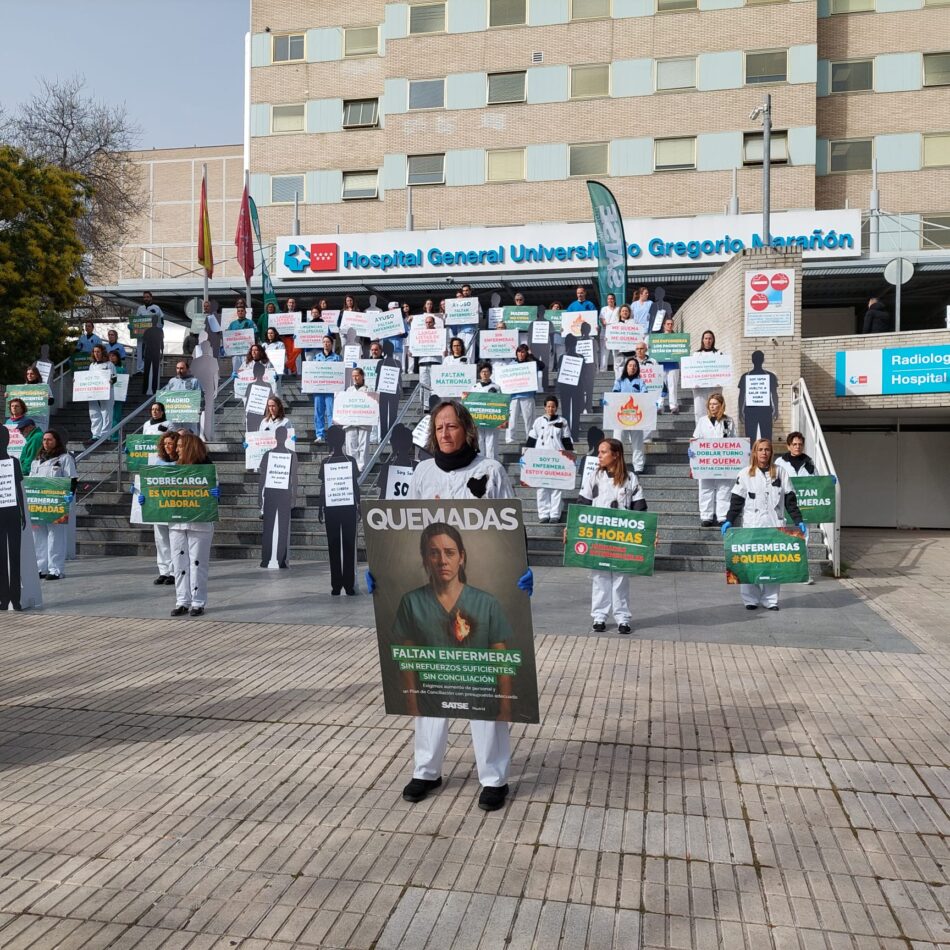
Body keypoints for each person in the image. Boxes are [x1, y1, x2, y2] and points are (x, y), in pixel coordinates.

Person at [372, 399, 529, 813]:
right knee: (430, 680)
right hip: (430, 591)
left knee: (482, 682)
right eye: (438, 427)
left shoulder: (489, 471)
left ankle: (493, 776)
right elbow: (401, 530)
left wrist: (522, 569)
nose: (444, 433)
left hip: (478, 592)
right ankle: (427, 769)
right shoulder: (421, 473)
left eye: (452, 426)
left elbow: (512, 525)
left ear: (467, 430)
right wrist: (383, 571)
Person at [391, 521, 516, 723]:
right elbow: (408, 662)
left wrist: (505, 709)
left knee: (491, 749)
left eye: (449, 552)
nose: (442, 561)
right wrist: (412, 707)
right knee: (429, 751)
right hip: (430, 702)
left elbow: (501, 662)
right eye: (434, 553)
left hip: (482, 702)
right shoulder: (412, 602)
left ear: (461, 557)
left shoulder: (486, 603)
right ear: (425, 559)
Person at [722, 438, 806, 610]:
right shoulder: (745, 474)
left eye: (767, 450)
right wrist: (729, 519)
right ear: (754, 452)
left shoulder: (781, 472)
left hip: (774, 525)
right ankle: (750, 600)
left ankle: (771, 600)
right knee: (750, 563)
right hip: (752, 526)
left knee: (773, 563)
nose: (764, 453)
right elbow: (736, 502)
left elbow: (790, 501)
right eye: (760, 449)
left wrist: (798, 520)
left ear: (771, 452)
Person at [576, 437, 647, 635]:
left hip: (623, 536)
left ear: (615, 455)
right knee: (599, 577)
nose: (599, 456)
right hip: (598, 534)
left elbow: (640, 509)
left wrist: (649, 534)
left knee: (621, 578)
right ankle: (599, 616)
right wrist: (571, 530)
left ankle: (623, 617)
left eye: (603, 452)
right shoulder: (594, 477)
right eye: (598, 452)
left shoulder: (631, 478)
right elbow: (582, 505)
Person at [165, 431, 219, 617]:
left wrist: (215, 493)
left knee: (197, 562)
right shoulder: (172, 468)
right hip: (177, 521)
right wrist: (147, 498)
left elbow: (214, 486)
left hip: (200, 522)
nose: (177, 449)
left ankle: (198, 601)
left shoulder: (207, 468)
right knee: (179, 562)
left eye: (180, 446)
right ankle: (182, 600)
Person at [29, 430, 77, 581]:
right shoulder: (36, 460)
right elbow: (31, 481)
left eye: (49, 440)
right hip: (38, 503)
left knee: (55, 536)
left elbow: (72, 479)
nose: (46, 442)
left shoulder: (64, 458)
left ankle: (55, 569)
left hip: (56, 503)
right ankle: (40, 567)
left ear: (56, 441)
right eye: (44, 440)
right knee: (38, 536)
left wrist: (69, 495)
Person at [525, 395, 573, 523]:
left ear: (556, 408)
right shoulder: (538, 421)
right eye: (548, 406)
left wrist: (570, 455)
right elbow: (531, 439)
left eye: (553, 406)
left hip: (557, 457)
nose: (550, 408)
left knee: (556, 487)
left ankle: (555, 515)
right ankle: (543, 514)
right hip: (540, 458)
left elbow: (566, 439)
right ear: (545, 407)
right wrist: (526, 454)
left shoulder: (563, 421)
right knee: (541, 487)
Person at [692, 393, 737, 528]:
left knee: (724, 487)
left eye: (715, 404)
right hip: (706, 461)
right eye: (710, 404)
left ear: (721, 405)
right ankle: (706, 516)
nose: (712, 407)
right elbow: (696, 439)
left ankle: (722, 516)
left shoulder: (728, 421)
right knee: (706, 487)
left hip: (724, 461)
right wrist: (693, 450)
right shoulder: (702, 421)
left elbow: (734, 440)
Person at [149, 430, 180, 586]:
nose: (168, 446)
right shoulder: (159, 461)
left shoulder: (181, 461)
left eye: (171, 444)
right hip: (159, 503)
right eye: (165, 444)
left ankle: (174, 571)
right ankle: (163, 571)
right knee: (160, 539)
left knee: (174, 539)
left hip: (175, 504)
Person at [611, 357, 648, 474]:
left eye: (635, 366)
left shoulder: (641, 382)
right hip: (621, 416)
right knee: (617, 441)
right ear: (626, 367)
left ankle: (638, 467)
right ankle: (616, 465)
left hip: (636, 417)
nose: (633, 368)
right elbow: (614, 394)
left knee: (637, 442)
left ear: (637, 369)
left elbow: (645, 394)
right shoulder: (619, 381)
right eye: (630, 365)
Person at [505, 344, 540, 444]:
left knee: (529, 419)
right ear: (516, 353)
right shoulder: (511, 365)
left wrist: (531, 355)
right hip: (514, 397)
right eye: (519, 352)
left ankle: (530, 439)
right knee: (511, 419)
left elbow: (542, 365)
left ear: (526, 353)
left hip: (527, 395)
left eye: (523, 352)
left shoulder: (532, 364)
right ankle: (510, 439)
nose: (521, 354)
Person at [311, 335, 342, 444]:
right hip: (318, 390)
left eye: (328, 342)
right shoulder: (317, 357)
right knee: (318, 412)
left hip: (331, 390)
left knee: (331, 413)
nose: (326, 344)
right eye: (324, 342)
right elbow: (311, 373)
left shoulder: (337, 358)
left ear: (331, 344)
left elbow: (340, 374)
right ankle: (319, 435)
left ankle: (331, 434)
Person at [472, 361, 502, 461]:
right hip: (478, 421)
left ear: (490, 373)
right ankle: (480, 464)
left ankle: (492, 465)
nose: (485, 373)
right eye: (482, 371)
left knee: (491, 443)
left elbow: (500, 404)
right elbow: (470, 405)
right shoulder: (474, 388)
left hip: (491, 420)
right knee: (479, 442)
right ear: (479, 373)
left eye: (487, 371)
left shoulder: (496, 387)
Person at [344, 368, 372, 471]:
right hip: (351, 421)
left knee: (363, 444)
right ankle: (353, 466)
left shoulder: (369, 389)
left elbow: (372, 404)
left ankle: (362, 467)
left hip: (364, 421)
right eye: (353, 376)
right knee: (351, 444)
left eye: (357, 375)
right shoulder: (349, 390)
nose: (355, 378)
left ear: (362, 376)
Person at [691, 330, 723, 420]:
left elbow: (722, 369)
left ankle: (716, 431)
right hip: (700, 388)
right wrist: (693, 382)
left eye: (710, 338)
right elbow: (692, 370)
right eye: (706, 338)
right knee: (699, 411)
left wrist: (721, 380)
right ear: (702, 340)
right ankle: (700, 433)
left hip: (714, 387)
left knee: (716, 410)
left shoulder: (719, 354)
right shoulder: (696, 355)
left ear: (713, 340)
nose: (708, 341)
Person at [87, 344, 116, 441]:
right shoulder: (92, 365)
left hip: (106, 391)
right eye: (94, 352)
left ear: (103, 352)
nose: (96, 354)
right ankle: (96, 434)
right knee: (94, 411)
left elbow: (114, 377)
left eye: (98, 351)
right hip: (94, 391)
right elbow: (88, 378)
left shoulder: (109, 364)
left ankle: (105, 434)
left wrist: (110, 381)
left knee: (106, 411)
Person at [417, 315, 444, 404]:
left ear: (434, 323)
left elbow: (444, 347)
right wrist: (412, 351)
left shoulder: (439, 333)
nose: (428, 324)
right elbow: (414, 347)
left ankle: (436, 405)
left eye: (430, 322)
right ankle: (425, 406)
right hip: (423, 363)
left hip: (436, 362)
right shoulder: (419, 334)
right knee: (424, 386)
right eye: (427, 322)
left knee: (435, 386)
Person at [657, 316, 681, 414]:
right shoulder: (658, 338)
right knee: (660, 386)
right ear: (664, 325)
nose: (670, 326)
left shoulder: (678, 338)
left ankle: (673, 406)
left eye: (671, 324)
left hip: (673, 365)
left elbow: (681, 351)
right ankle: (659, 406)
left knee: (672, 386)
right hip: (661, 365)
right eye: (668, 324)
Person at [228, 300, 256, 374]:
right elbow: (228, 337)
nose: (240, 312)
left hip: (246, 351)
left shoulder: (250, 322)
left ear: (245, 312)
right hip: (236, 351)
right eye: (239, 311)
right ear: (237, 313)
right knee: (236, 371)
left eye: (242, 311)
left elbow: (255, 334)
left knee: (247, 370)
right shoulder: (232, 324)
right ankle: (236, 384)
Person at [108, 350, 127, 437]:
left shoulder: (121, 369)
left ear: (118, 358)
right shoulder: (106, 368)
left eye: (114, 356)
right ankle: (107, 435)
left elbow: (124, 383)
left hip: (118, 396)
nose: (111, 358)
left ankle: (115, 436)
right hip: (107, 395)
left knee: (116, 416)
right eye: (110, 356)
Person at [598, 293, 619, 371]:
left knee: (616, 354)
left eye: (612, 298)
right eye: (609, 299)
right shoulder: (604, 309)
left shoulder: (618, 309)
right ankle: (603, 371)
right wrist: (607, 325)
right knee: (604, 354)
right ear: (607, 300)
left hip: (616, 335)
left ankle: (617, 371)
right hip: (605, 334)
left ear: (614, 300)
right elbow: (602, 320)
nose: (610, 300)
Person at [263, 327, 286, 395]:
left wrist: (277, 371)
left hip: (276, 369)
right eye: (268, 333)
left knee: (276, 388)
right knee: (266, 388)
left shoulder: (280, 344)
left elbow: (282, 357)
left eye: (272, 333)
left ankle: (278, 404)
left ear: (275, 334)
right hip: (266, 369)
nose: (270, 335)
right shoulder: (264, 344)